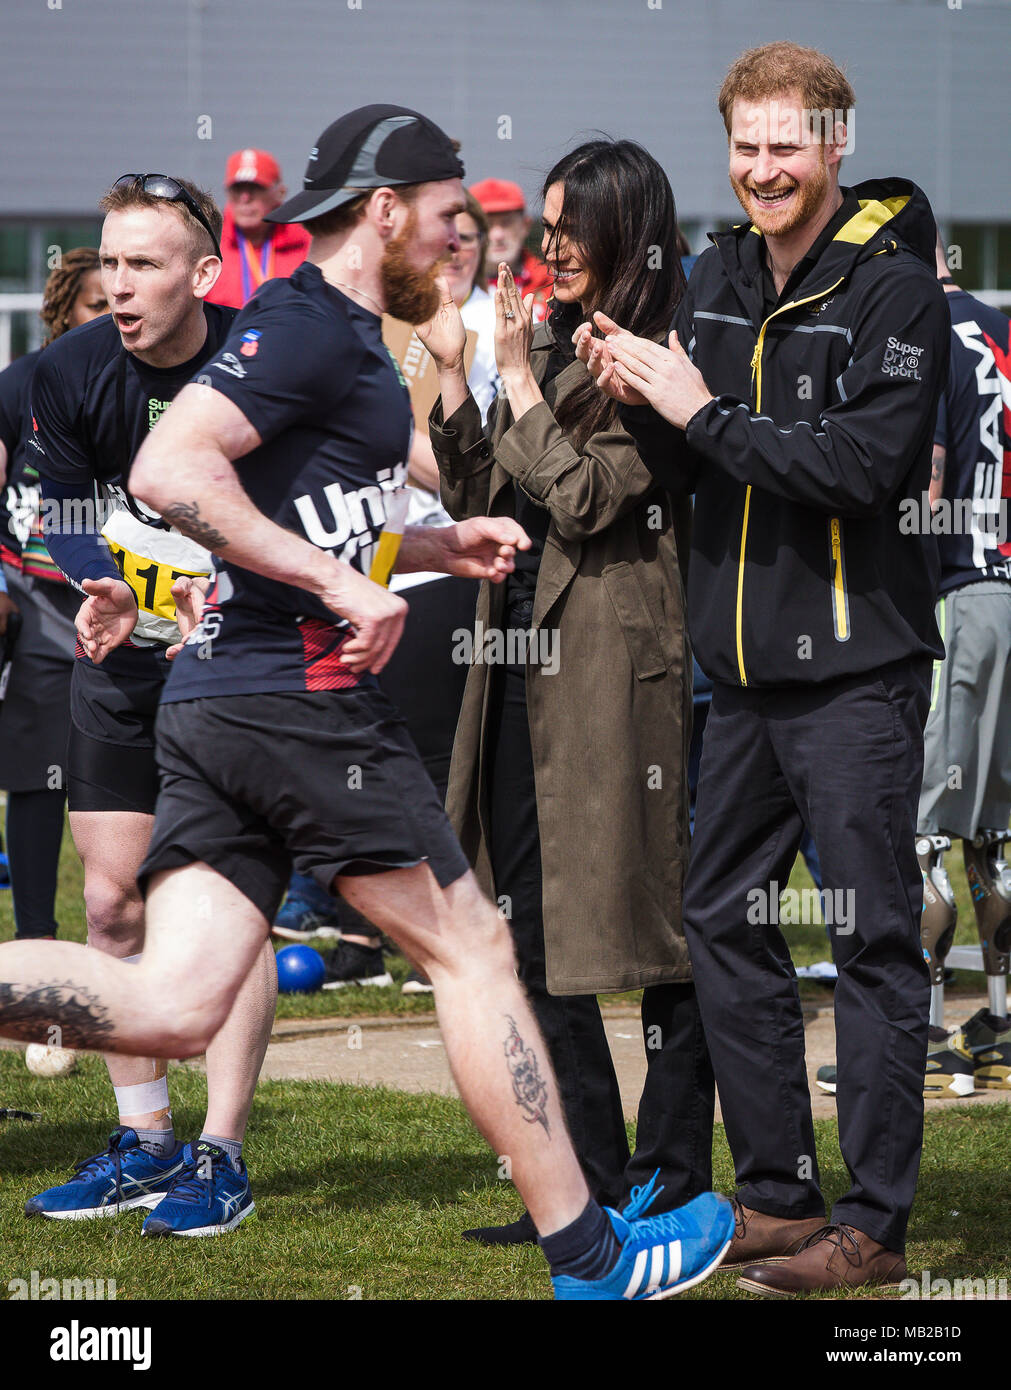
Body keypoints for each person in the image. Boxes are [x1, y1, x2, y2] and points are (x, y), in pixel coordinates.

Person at [0, 104, 734, 1301]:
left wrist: (438, 543)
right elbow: (168, 470)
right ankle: (592, 1256)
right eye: (451, 219)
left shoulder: (330, 332)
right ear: (384, 211)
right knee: (478, 947)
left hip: (225, 697)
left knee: (173, 1003)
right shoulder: (310, 324)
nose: (464, 245)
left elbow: (311, 507)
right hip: (302, 701)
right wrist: (341, 582)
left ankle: (589, 1246)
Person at [578, 41, 950, 1294]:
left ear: (834, 145)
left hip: (857, 679)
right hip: (734, 683)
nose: (762, 168)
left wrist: (698, 412)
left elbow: (863, 470)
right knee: (721, 928)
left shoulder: (899, 293)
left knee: (872, 948)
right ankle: (780, 1196)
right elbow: (698, 471)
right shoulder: (715, 275)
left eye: (787, 145)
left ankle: (876, 1228)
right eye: (744, 145)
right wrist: (637, 400)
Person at [422, 139, 712, 1243]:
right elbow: (478, 486)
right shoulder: (541, 335)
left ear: (624, 228)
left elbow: (591, 498)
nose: (549, 248)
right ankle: (580, 1181)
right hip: (516, 662)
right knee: (528, 925)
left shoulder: (667, 351)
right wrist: (459, 372)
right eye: (544, 226)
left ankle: (674, 1169)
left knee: (652, 929)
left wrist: (526, 384)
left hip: (612, 675)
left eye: (568, 226)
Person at [25, 175, 277, 1236]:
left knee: (226, 905)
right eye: (110, 263)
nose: (119, 286)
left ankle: (221, 1155)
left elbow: (304, 507)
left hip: (243, 670)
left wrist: (228, 582)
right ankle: (145, 1141)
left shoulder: (264, 360)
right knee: (114, 906)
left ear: (204, 275)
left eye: (144, 265)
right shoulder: (70, 370)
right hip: (121, 666)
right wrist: (104, 585)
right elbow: (64, 509)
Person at [315, 189, 498, 993]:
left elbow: (469, 473)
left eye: (468, 240)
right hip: (362, 568)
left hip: (441, 568)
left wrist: (405, 446)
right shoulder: (375, 322)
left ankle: (440, 936)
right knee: (357, 753)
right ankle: (363, 937)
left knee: (430, 759)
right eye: (443, 238)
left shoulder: (487, 325)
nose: (453, 251)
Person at [914, 233, 1011, 1076]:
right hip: (1010, 586)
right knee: (996, 832)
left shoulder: (922, 332)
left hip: (954, 596)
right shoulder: (999, 328)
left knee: (923, 833)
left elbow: (929, 478)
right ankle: (1001, 1024)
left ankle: (927, 1037)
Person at [0, 248, 108, 944]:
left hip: (130, 611)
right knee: (37, 782)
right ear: (65, 309)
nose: (112, 313)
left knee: (120, 782)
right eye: (97, 303)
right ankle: (36, 944)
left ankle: (131, 948)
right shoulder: (22, 384)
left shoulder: (149, 385)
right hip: (39, 607)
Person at [206, 148, 310, 310]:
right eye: (237, 189)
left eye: (255, 189)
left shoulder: (306, 244)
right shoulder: (210, 244)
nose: (245, 198)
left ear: (280, 193)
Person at [470, 178, 552, 322]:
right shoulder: (451, 286)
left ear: (525, 225)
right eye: (487, 224)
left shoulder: (554, 283)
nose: (497, 235)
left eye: (507, 223)